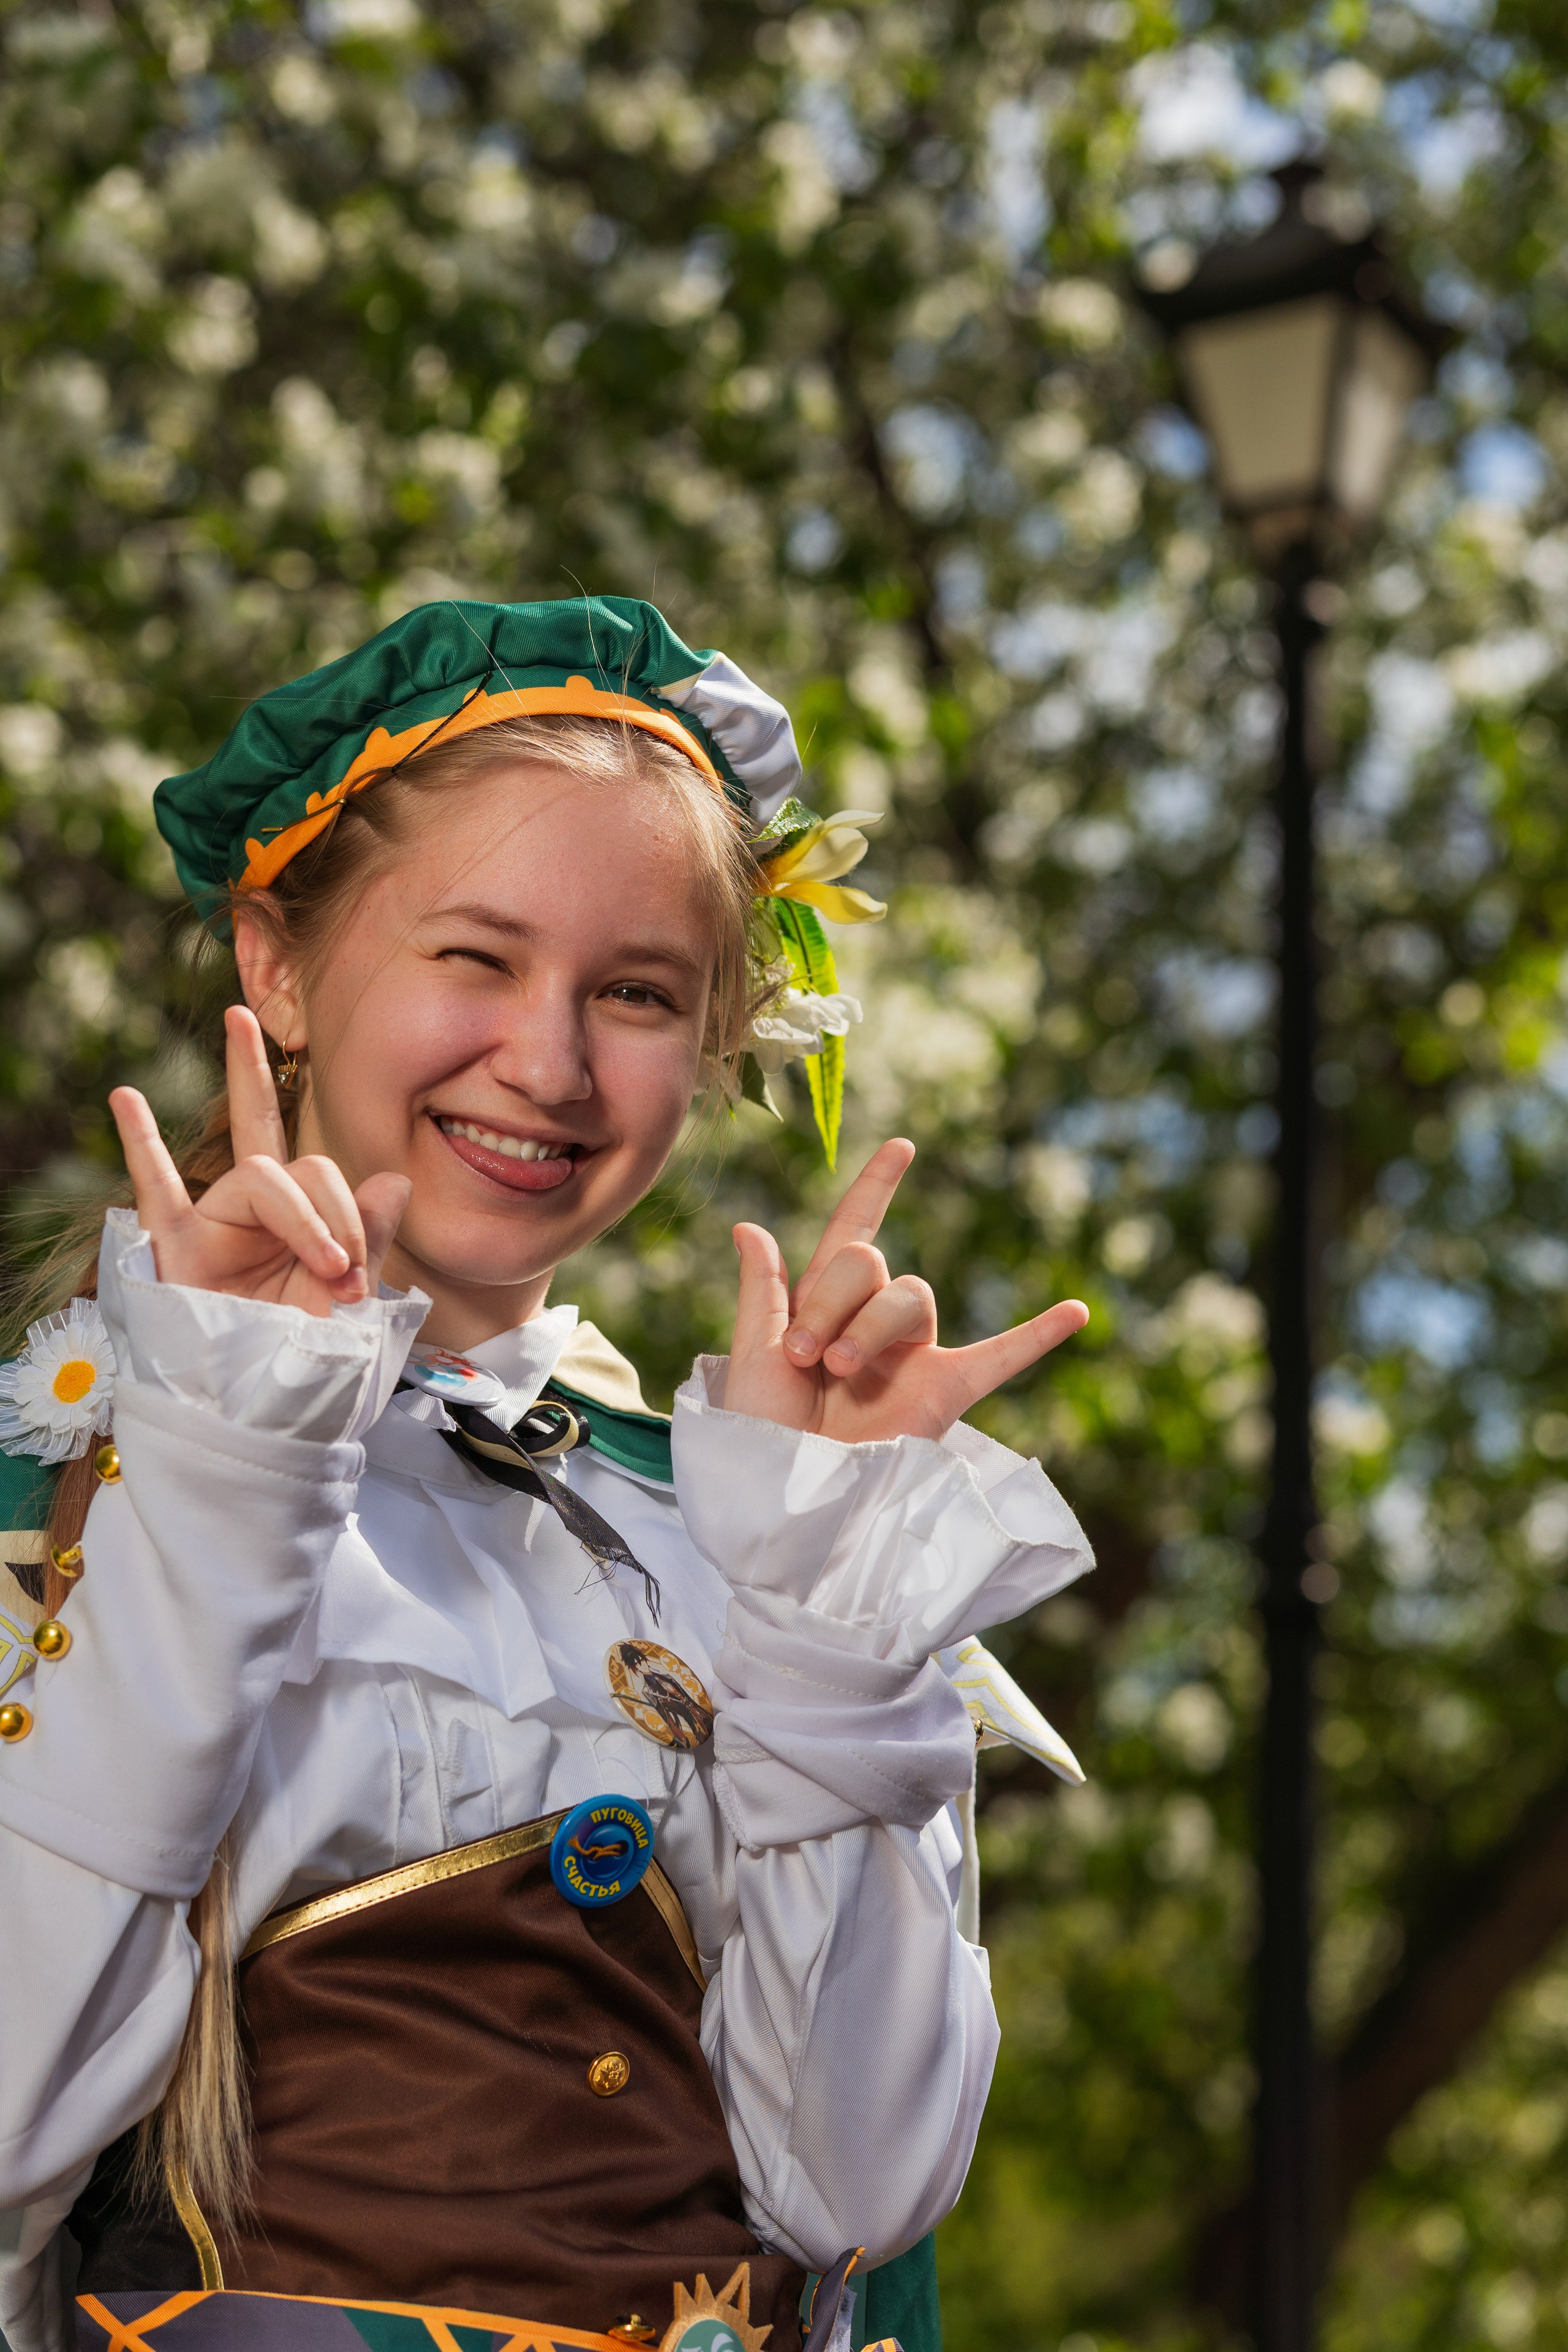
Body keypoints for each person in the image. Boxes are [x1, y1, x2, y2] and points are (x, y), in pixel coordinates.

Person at [0, 597, 1093, 2352]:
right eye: (475, 957)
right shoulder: (49, 1477)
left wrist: (826, 1607)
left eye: (639, 992)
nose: (553, 1061)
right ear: (275, 963)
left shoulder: (739, 1528)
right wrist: (208, 1488)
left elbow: (862, 2196)